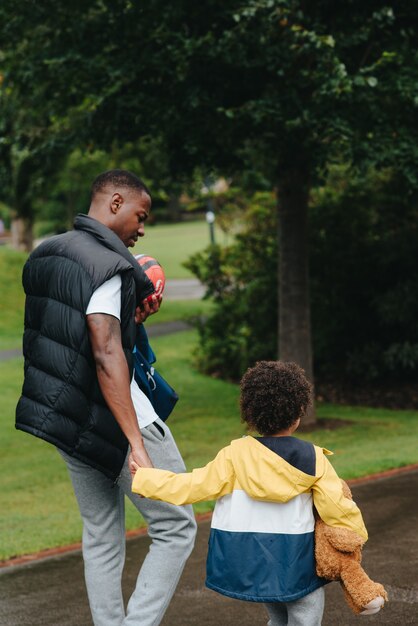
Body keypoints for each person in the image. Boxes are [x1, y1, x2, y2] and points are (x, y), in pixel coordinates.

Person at [15, 169, 197, 626]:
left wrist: (131, 316)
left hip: (66, 417)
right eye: (141, 215)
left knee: (100, 533)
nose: (142, 228)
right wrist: (136, 441)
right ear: (115, 203)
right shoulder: (108, 265)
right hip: (119, 418)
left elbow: (63, 333)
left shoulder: (49, 253)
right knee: (175, 526)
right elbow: (105, 349)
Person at [132, 360, 369, 626]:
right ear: (298, 413)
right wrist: (355, 535)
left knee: (278, 615)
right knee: (305, 615)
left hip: (255, 559)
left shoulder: (235, 455)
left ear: (251, 414)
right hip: (296, 560)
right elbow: (336, 506)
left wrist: (146, 480)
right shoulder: (312, 458)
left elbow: (191, 486)